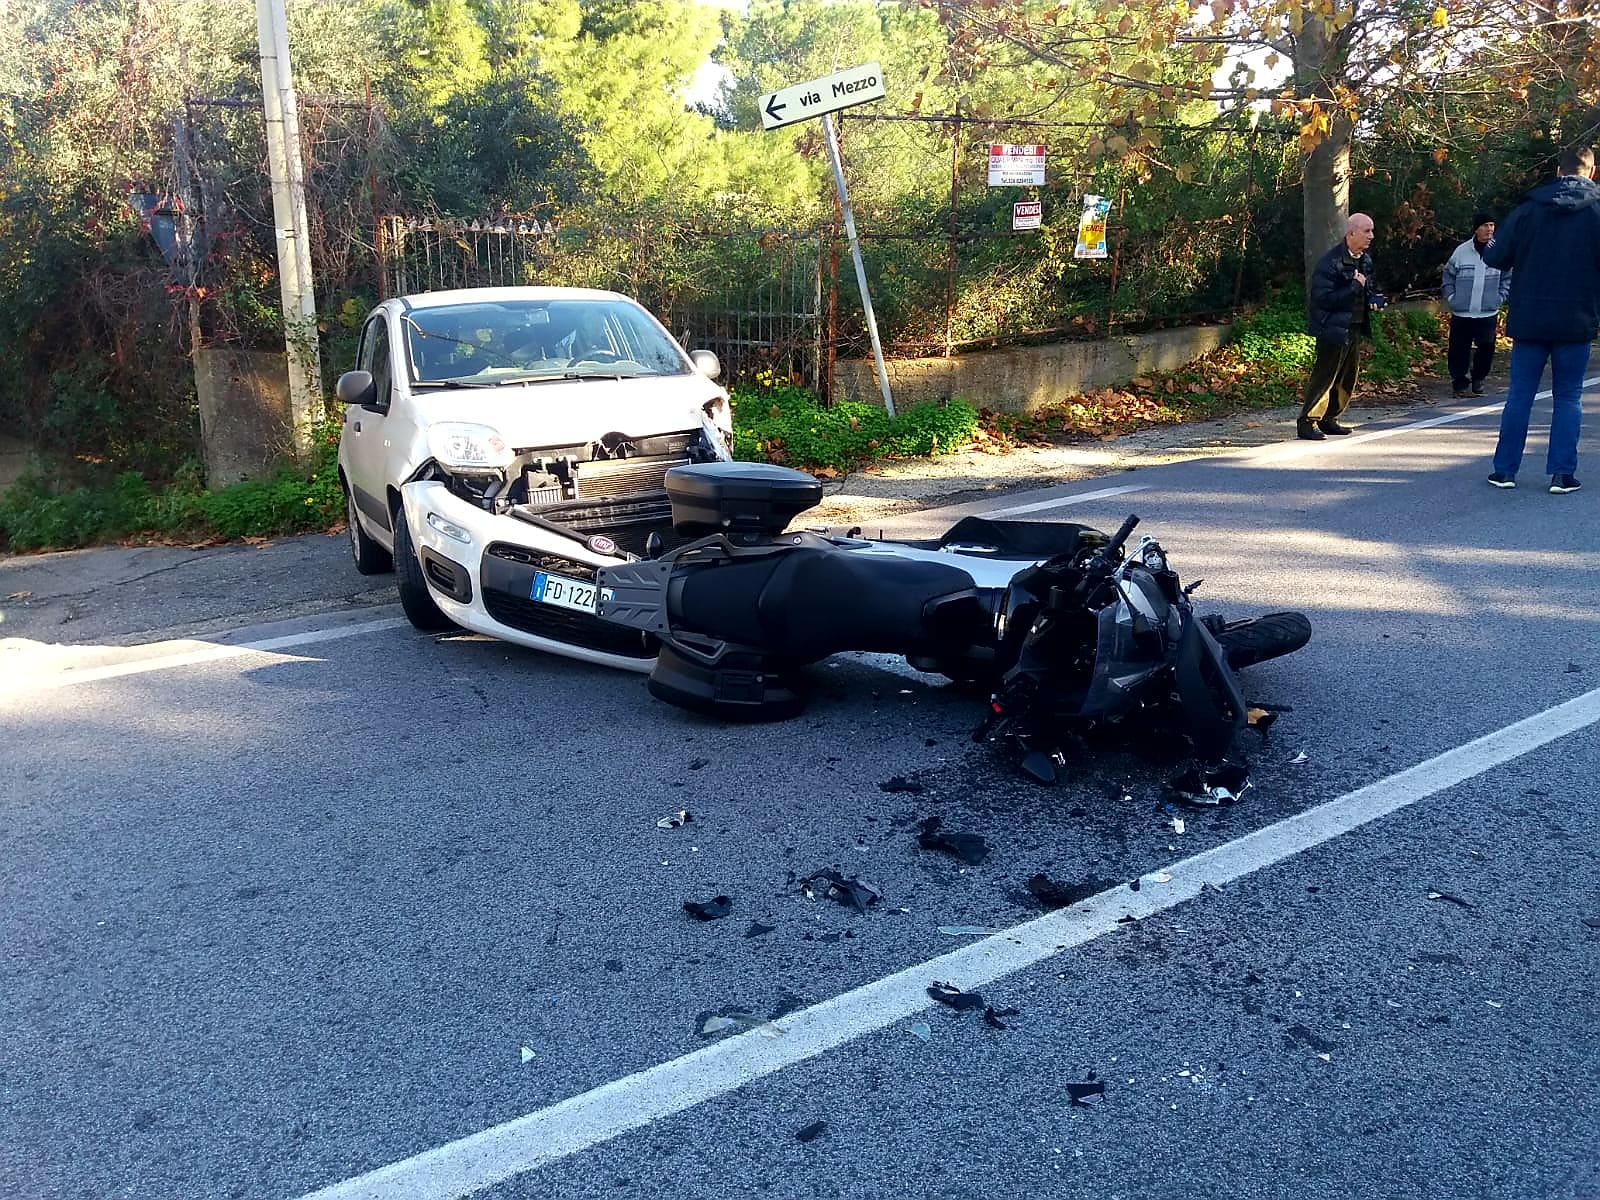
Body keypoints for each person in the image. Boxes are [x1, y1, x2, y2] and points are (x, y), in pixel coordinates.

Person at [1481, 145, 1600, 494]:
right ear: (1591, 172)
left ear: (1558, 171)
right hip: (1577, 318)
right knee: (1568, 397)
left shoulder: (1528, 210)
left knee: (1520, 395)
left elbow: (1495, 257)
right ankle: (1562, 474)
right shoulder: (1596, 214)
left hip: (1530, 316)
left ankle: (1504, 470)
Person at [1298, 213, 1381, 440]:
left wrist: (1373, 298)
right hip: (1331, 327)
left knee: (1347, 376)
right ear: (1351, 233)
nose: (1371, 236)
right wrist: (1354, 287)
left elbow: (1367, 287)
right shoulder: (1330, 262)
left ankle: (1329, 418)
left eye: (1372, 231)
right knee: (1325, 375)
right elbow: (1322, 299)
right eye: (1367, 231)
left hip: (1353, 325)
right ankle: (1308, 421)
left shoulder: (1364, 259)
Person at [1441, 213, 1511, 397]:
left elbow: (1507, 277)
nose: (1489, 229)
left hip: (1487, 311)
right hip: (1462, 312)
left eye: (1492, 225)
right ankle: (1459, 383)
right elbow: (1448, 275)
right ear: (1476, 229)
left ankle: (1479, 379)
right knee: (1458, 349)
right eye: (1485, 225)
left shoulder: (1500, 250)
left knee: (1486, 348)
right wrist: (1451, 297)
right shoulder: (1462, 251)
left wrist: (1500, 297)